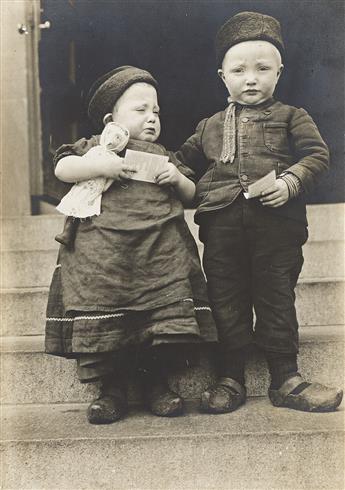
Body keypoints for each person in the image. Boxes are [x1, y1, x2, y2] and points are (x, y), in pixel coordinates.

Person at [176, 11, 343, 413]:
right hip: (221, 228)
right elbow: (182, 163)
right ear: (223, 76)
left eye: (262, 68)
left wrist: (290, 182)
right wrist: (161, 173)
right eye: (239, 69)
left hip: (276, 228)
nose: (250, 78)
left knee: (275, 299)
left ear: (279, 72)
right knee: (225, 299)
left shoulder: (292, 116)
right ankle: (229, 378)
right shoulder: (208, 127)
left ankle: (286, 378)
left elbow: (317, 156)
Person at [45, 65, 217, 424]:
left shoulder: (163, 155)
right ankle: (112, 391)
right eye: (141, 110)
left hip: (157, 252)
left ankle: (157, 384)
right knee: (107, 317)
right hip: (104, 255)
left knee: (161, 322)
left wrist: (177, 180)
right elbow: (62, 169)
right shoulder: (92, 148)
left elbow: (193, 195)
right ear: (111, 118)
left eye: (156, 111)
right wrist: (98, 166)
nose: (152, 118)